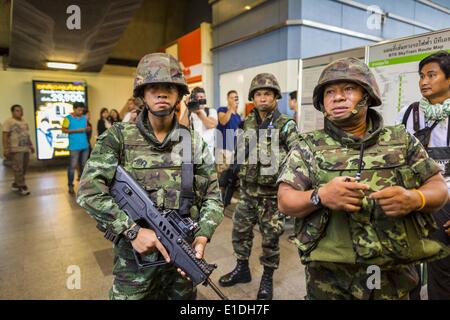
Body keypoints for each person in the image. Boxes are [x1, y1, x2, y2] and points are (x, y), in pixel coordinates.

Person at [277, 57, 450, 300]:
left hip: (395, 279)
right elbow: (285, 200)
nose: (337, 97)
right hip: (330, 281)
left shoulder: (401, 140)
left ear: (367, 96)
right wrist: (320, 196)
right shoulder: (307, 146)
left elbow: (438, 188)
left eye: (348, 89)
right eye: (329, 92)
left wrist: (414, 198)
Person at [76, 52, 223, 300]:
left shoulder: (193, 143)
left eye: (169, 87)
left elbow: (213, 197)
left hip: (180, 260)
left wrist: (201, 235)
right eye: (153, 86)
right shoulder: (119, 136)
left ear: (179, 95)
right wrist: (132, 231)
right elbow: (88, 190)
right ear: (142, 94)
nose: (161, 92)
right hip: (134, 263)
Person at [218, 73, 298, 300]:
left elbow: (297, 157)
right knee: (240, 232)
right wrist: (230, 172)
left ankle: (267, 278)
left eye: (267, 94)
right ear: (253, 97)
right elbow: (240, 152)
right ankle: (242, 268)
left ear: (275, 97)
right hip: (247, 192)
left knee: (270, 238)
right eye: (259, 94)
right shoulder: (247, 122)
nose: (263, 98)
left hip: (272, 195)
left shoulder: (285, 125)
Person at [397, 51, 450, 300]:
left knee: (442, 274)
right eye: (421, 76)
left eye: (431, 75)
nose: (424, 81)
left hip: (445, 207)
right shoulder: (409, 114)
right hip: (412, 201)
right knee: (407, 274)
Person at [2, 104, 35, 195]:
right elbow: (5, 136)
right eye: (17, 110)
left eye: (21, 110)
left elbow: (27, 135)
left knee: (24, 167)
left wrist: (31, 145)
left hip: (25, 148)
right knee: (18, 168)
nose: (20, 112)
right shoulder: (8, 122)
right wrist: (5, 148)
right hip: (15, 149)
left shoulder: (24, 122)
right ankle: (22, 186)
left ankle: (16, 184)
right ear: (12, 112)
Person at [180, 87, 218, 159]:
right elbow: (182, 127)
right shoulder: (189, 112)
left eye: (201, 97)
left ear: (205, 98)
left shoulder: (211, 111)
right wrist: (188, 108)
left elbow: (212, 124)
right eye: (197, 97)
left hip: (208, 154)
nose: (199, 99)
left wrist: (198, 112)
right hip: (192, 153)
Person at [62, 102, 90, 194]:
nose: (81, 112)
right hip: (74, 147)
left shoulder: (84, 118)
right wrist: (77, 130)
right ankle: (70, 185)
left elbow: (85, 128)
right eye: (79, 110)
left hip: (85, 146)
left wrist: (87, 129)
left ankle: (83, 186)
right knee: (72, 166)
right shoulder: (67, 118)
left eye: (82, 110)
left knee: (84, 166)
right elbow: (64, 130)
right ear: (74, 109)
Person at [216, 90, 243, 174]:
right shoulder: (222, 110)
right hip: (223, 149)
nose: (234, 100)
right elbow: (223, 121)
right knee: (222, 176)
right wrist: (231, 108)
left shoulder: (238, 116)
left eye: (235, 98)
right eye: (231, 98)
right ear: (227, 99)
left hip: (233, 150)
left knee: (231, 176)